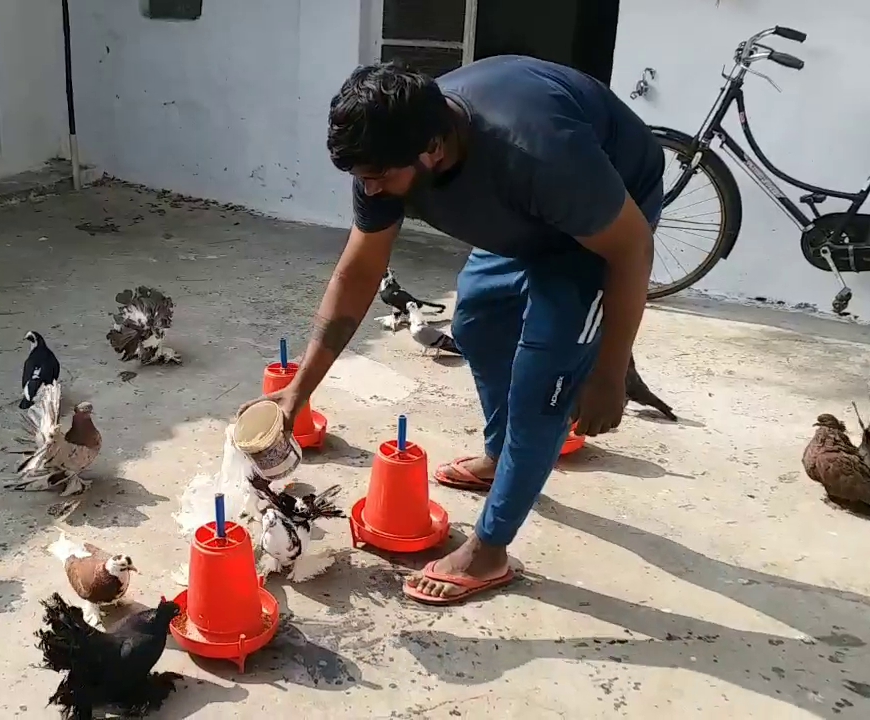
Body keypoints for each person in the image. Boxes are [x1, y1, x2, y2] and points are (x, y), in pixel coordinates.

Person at [238, 56, 664, 606]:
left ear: (434, 150)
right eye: (361, 179)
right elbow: (360, 270)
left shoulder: (540, 153)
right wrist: (301, 388)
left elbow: (631, 248)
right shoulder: (388, 145)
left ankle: (490, 552)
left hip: (601, 222)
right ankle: (499, 455)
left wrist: (609, 368)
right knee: (478, 320)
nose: (369, 190)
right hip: (526, 211)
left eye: (378, 179)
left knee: (543, 385)